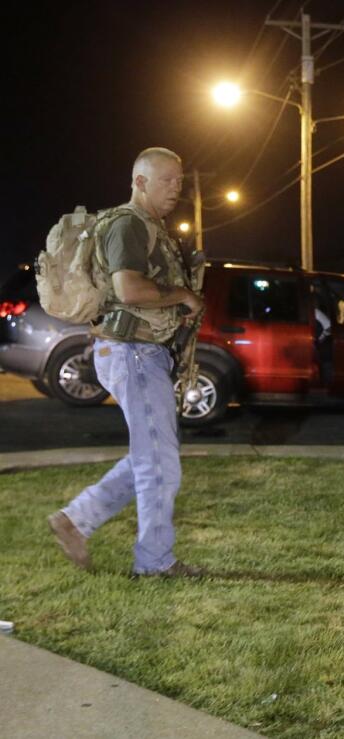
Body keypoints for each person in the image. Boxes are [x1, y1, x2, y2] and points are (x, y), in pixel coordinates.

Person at [47, 147, 205, 577]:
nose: (177, 188)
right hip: (131, 351)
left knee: (151, 454)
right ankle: (153, 563)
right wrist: (184, 296)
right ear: (139, 181)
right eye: (167, 180)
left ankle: (76, 519)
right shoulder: (128, 225)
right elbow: (130, 289)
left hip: (140, 352)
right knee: (160, 462)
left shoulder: (152, 227)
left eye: (179, 181)